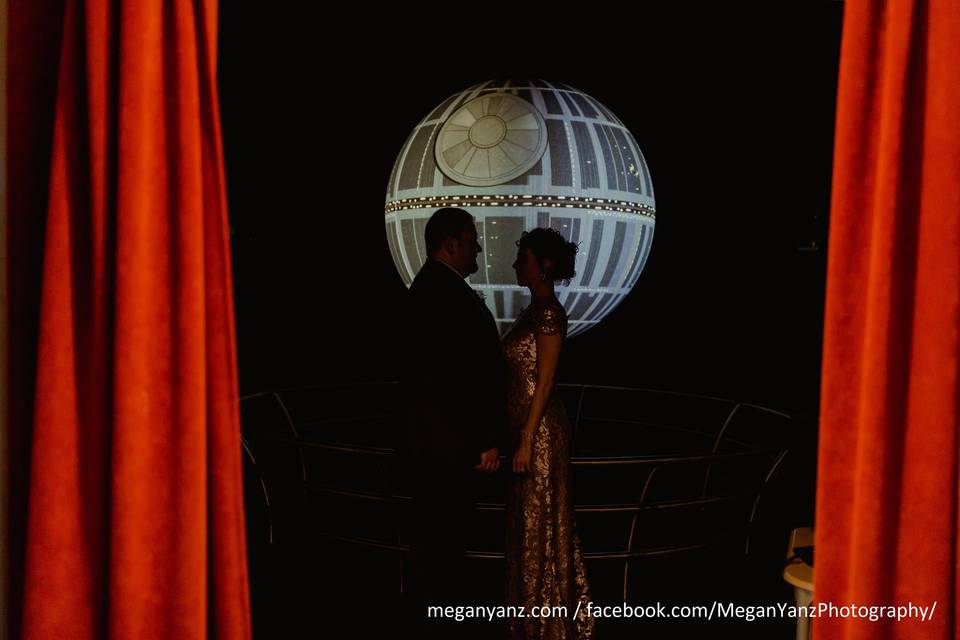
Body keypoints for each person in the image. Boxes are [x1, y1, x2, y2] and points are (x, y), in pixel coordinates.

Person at [400, 207, 508, 635]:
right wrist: (482, 442)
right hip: (447, 456)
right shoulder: (443, 297)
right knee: (444, 551)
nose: (478, 247)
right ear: (450, 243)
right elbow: (453, 382)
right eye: (471, 239)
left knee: (437, 550)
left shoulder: (430, 291)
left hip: (435, 451)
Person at [503, 228, 594, 639]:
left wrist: (525, 437)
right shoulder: (533, 310)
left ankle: (550, 622)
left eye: (523, 258)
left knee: (542, 521)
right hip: (529, 430)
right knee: (531, 523)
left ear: (545, 266)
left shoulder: (549, 314)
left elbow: (545, 381)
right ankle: (534, 617)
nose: (516, 264)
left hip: (540, 435)